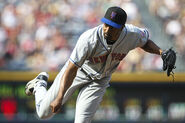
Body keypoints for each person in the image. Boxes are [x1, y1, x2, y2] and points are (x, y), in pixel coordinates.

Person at [25, 6, 164, 122]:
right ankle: (39, 85)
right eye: (106, 24)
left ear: (122, 28)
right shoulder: (88, 39)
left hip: (99, 80)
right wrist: (60, 97)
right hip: (78, 72)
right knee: (44, 114)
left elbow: (145, 42)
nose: (107, 29)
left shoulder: (132, 34)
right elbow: (71, 69)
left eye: (113, 27)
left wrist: (161, 53)